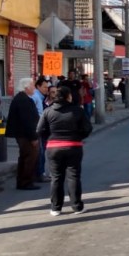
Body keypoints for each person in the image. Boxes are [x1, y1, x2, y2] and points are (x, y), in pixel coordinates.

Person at [37, 86, 93, 216]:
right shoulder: (77, 111)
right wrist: (78, 137)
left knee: (56, 178)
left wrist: (49, 139)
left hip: (53, 148)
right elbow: (87, 128)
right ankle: (77, 207)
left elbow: (39, 130)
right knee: (73, 176)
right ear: (68, 96)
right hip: (73, 146)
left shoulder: (48, 111)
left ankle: (56, 208)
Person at [5, 78, 42, 190]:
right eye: (32, 86)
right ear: (26, 87)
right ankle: (25, 182)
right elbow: (27, 121)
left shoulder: (23, 98)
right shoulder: (23, 100)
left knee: (25, 157)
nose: (34, 88)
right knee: (30, 157)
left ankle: (23, 181)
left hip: (23, 134)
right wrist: (33, 138)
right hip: (25, 135)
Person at [32, 76, 51, 183]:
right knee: (41, 152)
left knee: (41, 151)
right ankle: (40, 173)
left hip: (42, 127)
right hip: (38, 127)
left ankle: (40, 172)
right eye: (44, 87)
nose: (46, 89)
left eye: (47, 88)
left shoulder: (41, 97)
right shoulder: (36, 97)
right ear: (37, 86)